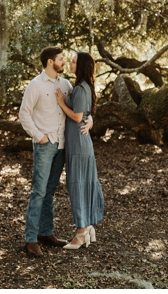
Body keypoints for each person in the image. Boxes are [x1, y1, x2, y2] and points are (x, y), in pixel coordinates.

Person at [18, 47, 92, 257]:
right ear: (50, 62)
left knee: (50, 191)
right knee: (39, 191)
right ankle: (31, 238)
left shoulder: (65, 84)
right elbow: (24, 114)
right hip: (45, 144)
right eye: (61, 59)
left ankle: (46, 232)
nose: (64, 62)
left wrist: (91, 120)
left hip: (62, 145)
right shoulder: (36, 85)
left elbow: (79, 109)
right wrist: (38, 136)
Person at [56, 51, 106, 250]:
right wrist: (90, 120)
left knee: (77, 186)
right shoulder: (81, 87)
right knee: (80, 185)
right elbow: (86, 115)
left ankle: (81, 233)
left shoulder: (81, 89)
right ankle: (86, 227)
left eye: (74, 61)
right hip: (78, 143)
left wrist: (60, 103)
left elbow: (77, 117)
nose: (70, 63)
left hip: (78, 145)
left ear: (82, 65)